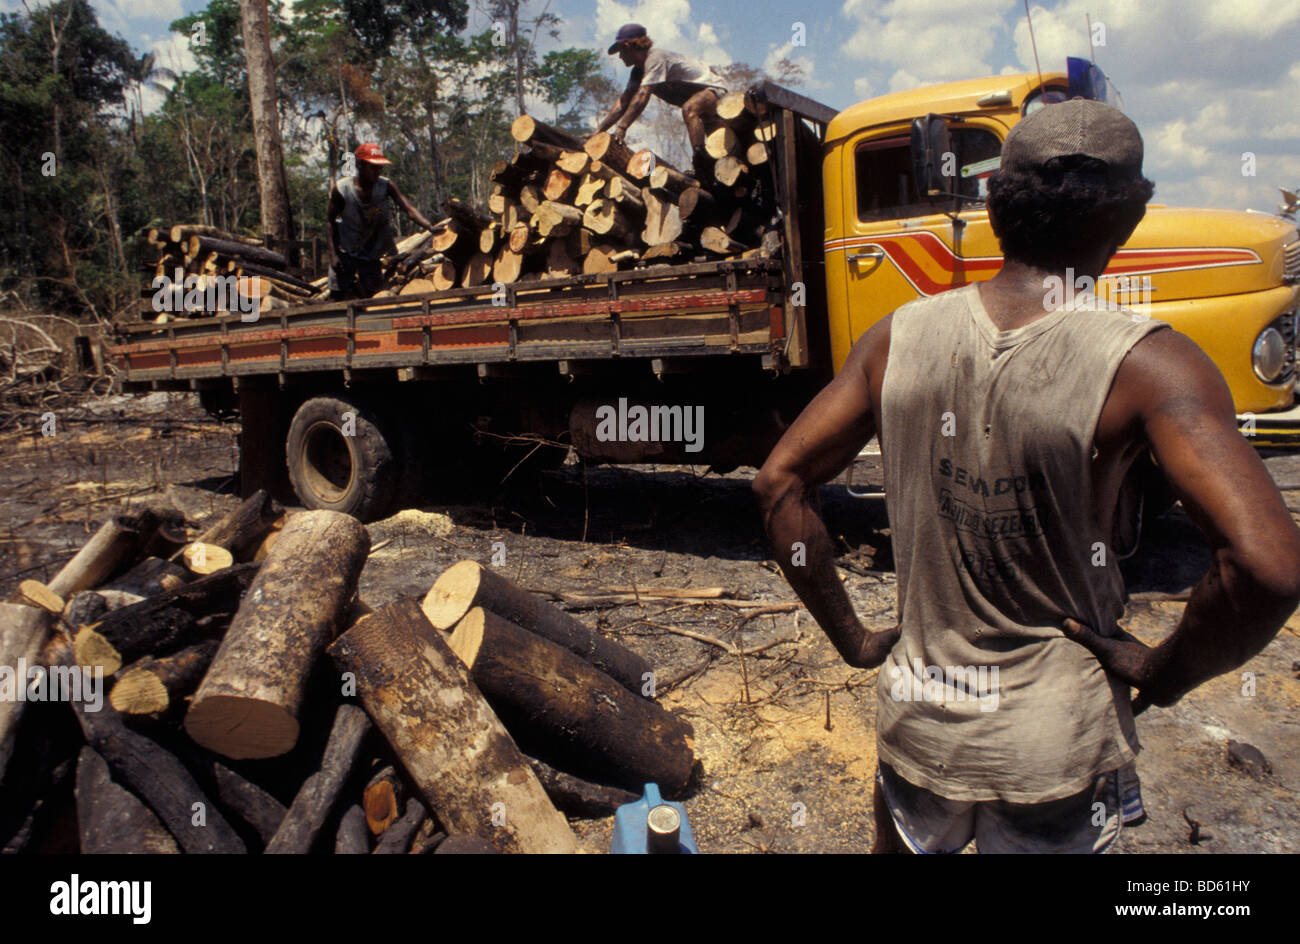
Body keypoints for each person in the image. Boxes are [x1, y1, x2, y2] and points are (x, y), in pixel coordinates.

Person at [752, 100, 1300, 854]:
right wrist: (1166, 669)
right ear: (1131, 216)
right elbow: (1268, 568)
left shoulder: (898, 336)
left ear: (993, 206)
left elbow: (778, 482)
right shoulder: (1152, 364)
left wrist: (852, 637)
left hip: (921, 725)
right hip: (1056, 750)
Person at [595, 23, 728, 181]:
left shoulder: (655, 58)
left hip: (715, 91)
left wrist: (622, 128)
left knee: (689, 109)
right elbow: (623, 102)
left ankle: (701, 166)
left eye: (620, 52)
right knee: (722, 156)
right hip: (702, 108)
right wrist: (598, 132)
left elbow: (643, 96)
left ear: (628, 46)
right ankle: (710, 173)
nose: (620, 57)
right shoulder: (637, 72)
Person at [326, 142, 437, 301]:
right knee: (338, 297)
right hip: (345, 253)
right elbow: (329, 222)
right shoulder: (342, 190)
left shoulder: (385, 186)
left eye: (380, 168)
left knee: (374, 298)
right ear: (360, 165)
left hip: (371, 253)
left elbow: (409, 210)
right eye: (374, 167)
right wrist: (333, 255)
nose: (378, 172)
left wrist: (430, 226)